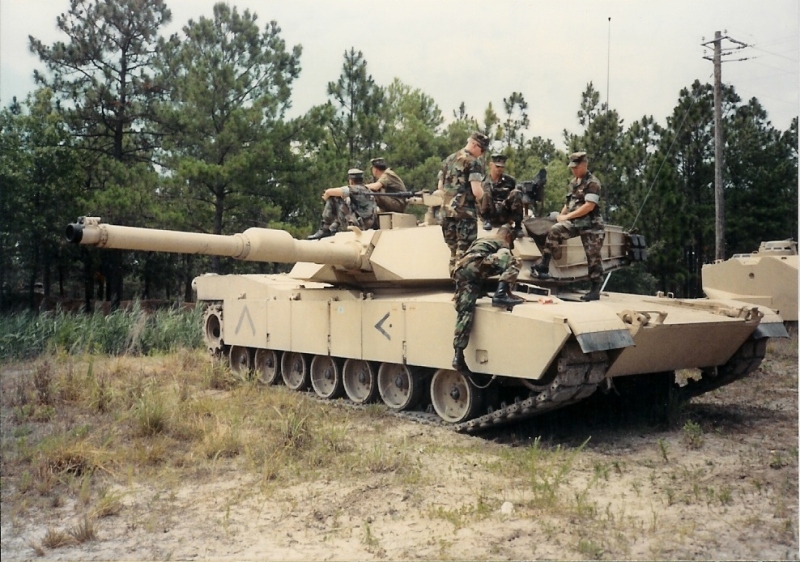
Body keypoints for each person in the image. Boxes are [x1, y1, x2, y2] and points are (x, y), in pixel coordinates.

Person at [531, 151, 605, 301]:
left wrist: (566, 217)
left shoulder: (592, 183)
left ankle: (595, 289)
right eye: (572, 167)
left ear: (584, 165)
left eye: (576, 167)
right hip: (575, 223)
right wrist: (560, 216)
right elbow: (569, 203)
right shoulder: (573, 182)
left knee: (593, 256)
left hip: (591, 225)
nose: (573, 170)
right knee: (555, 230)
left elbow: (588, 206)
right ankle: (544, 264)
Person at [452, 225, 523, 371]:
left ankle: (458, 355)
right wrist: (508, 291)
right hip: (476, 266)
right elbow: (506, 261)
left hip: (461, 270)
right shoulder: (502, 242)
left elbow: (468, 261)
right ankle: (500, 295)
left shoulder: (482, 240)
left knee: (465, 312)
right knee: (514, 260)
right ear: (508, 236)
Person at [439, 132, 490, 275]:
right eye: (482, 150)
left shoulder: (448, 160)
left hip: (446, 213)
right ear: (474, 144)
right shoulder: (473, 162)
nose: (482, 154)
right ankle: (462, 288)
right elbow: (476, 191)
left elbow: (440, 187)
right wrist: (485, 204)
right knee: (465, 253)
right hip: (464, 213)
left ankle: (455, 283)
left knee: (453, 251)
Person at [307, 168, 377, 240]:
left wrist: (327, 195)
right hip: (365, 223)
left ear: (351, 181)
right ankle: (333, 228)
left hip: (359, 224)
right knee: (345, 204)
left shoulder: (356, 189)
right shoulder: (366, 189)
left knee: (334, 198)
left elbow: (330, 192)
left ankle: (324, 229)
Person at [479, 153, 524, 236]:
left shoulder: (510, 181)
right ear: (491, 165)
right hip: (490, 212)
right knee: (486, 191)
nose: (500, 169)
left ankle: (518, 226)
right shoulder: (483, 180)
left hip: (504, 211)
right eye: (497, 166)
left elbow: (517, 197)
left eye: (502, 167)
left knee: (516, 192)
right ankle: (487, 219)